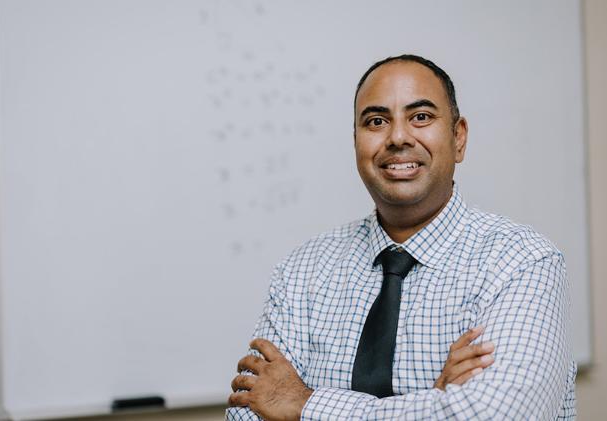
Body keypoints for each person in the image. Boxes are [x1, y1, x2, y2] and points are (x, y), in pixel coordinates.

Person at [225, 54, 577, 420]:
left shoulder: (522, 263)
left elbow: (498, 415)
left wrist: (305, 404)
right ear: (356, 142)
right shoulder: (301, 273)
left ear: (458, 137)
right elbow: (248, 413)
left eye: (420, 117)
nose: (397, 137)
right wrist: (437, 402)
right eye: (376, 121)